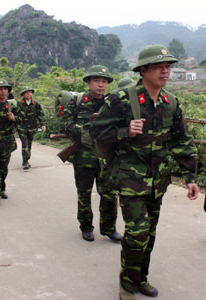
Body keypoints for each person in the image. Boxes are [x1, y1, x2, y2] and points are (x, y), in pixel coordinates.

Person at [89, 45, 199, 300]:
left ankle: (140, 277)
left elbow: (181, 141)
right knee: (137, 233)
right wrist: (124, 131)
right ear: (143, 70)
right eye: (159, 66)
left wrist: (192, 176)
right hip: (130, 179)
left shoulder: (171, 103)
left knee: (149, 233)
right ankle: (127, 284)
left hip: (158, 181)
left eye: (168, 66)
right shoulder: (121, 100)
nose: (165, 71)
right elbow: (94, 132)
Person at [61, 65, 122, 243]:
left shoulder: (111, 103)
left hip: (106, 158)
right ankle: (86, 227)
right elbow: (64, 123)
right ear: (88, 82)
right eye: (96, 80)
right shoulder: (77, 101)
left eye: (104, 81)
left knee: (110, 194)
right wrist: (83, 131)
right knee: (84, 193)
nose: (101, 85)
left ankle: (109, 228)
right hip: (83, 157)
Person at [16, 86, 46, 169]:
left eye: (30, 92)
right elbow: (15, 115)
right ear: (23, 94)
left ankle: (26, 159)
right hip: (22, 127)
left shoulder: (35, 104)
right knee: (25, 144)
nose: (28, 93)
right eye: (26, 92)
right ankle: (25, 161)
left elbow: (40, 114)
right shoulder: (19, 104)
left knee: (29, 144)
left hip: (32, 127)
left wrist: (43, 124)